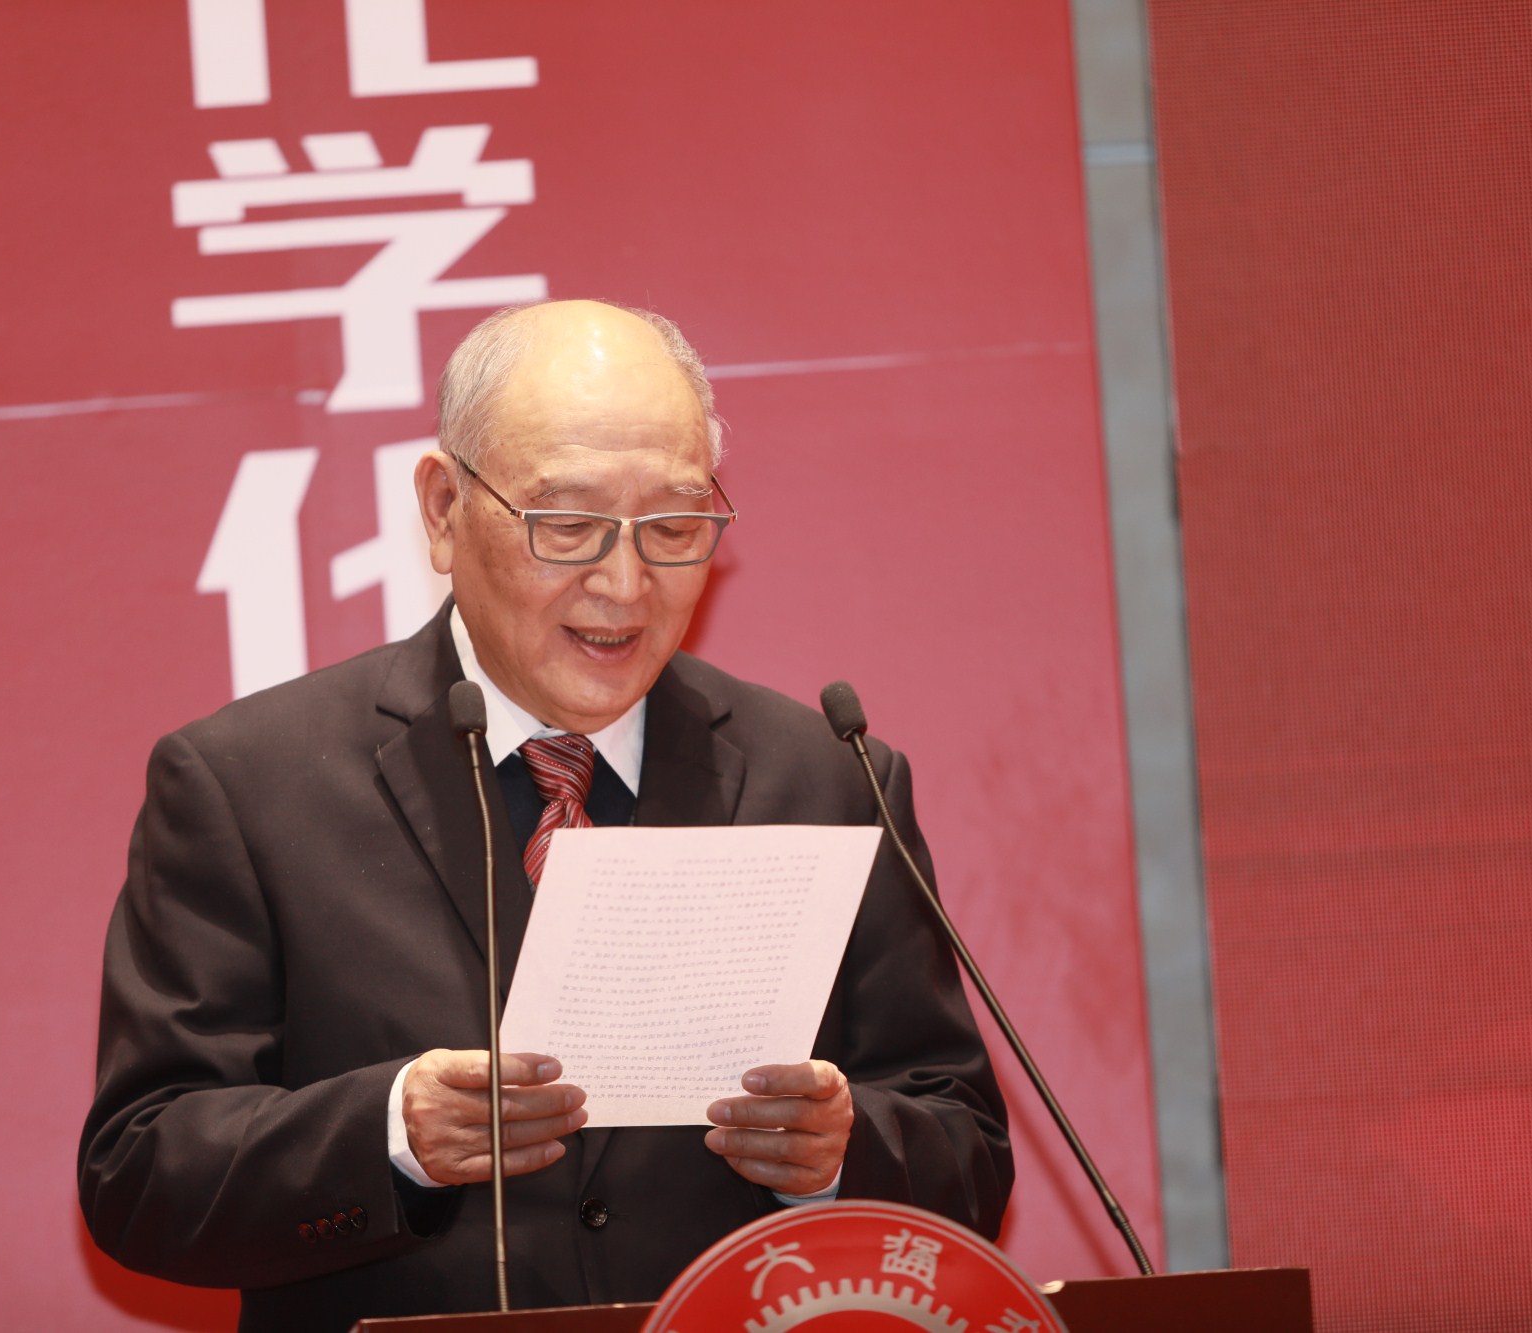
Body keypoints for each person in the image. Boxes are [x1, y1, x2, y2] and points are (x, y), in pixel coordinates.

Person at [78, 300, 1013, 1330]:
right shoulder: (248, 784)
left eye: (672, 527)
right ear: (444, 509)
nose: (624, 583)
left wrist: (839, 1153)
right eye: (567, 525)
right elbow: (140, 1169)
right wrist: (389, 1134)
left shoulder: (828, 775)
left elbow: (964, 1146)